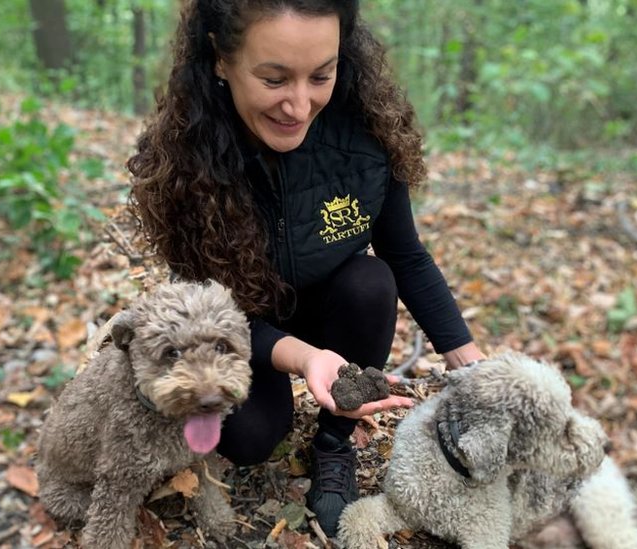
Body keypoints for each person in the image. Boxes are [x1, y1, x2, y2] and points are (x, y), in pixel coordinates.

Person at [126, 0, 486, 537]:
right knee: (247, 440)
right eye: (274, 79)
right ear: (220, 60)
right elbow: (207, 310)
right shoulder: (185, 159)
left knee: (372, 281)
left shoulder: (367, 136)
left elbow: (405, 255)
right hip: (241, 326)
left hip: (334, 306)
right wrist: (305, 358)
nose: (299, 104)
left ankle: (334, 443)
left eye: (322, 74)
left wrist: (474, 368)